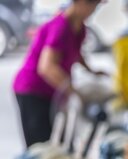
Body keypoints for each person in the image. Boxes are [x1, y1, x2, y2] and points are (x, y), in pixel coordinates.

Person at [13, 0, 106, 147]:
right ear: (79, 2)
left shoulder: (79, 27)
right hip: (32, 90)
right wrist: (74, 93)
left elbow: (75, 52)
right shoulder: (60, 27)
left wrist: (91, 70)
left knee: (57, 141)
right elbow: (46, 67)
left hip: (52, 92)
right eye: (92, 6)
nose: (93, 11)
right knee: (40, 146)